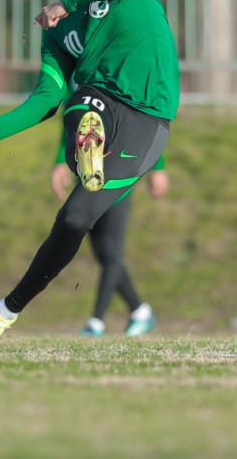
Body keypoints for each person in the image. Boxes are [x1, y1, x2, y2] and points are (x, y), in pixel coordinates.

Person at [0, 0, 180, 350]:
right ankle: (1, 315)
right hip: (98, 104)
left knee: (79, 216)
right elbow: (46, 97)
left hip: (149, 119)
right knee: (78, 111)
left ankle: (89, 150)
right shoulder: (56, 32)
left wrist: (70, 3)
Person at [50, 126, 170, 337]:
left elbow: (150, 119)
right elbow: (71, 124)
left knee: (110, 252)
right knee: (103, 252)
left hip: (118, 175)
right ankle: (140, 311)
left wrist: (157, 166)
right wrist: (61, 159)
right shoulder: (72, 91)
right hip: (89, 179)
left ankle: (96, 321)